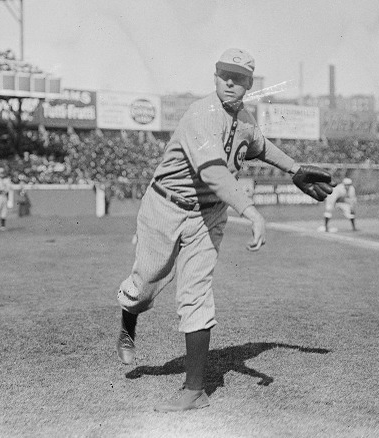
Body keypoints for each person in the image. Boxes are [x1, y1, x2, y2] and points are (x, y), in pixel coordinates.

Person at [115, 48, 333, 412]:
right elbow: (213, 172)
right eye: (223, 75)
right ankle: (127, 325)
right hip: (165, 205)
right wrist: (251, 210)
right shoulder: (201, 114)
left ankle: (194, 391)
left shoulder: (243, 119)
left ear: (250, 84)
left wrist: (294, 169)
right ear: (214, 78)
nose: (230, 82)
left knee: (196, 293)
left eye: (239, 78)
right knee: (145, 283)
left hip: (209, 215)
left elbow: (259, 146)